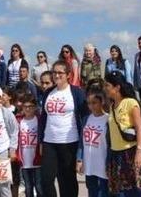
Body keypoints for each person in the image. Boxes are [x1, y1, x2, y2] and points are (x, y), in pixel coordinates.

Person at [40, 60, 88, 197]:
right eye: (54, 72)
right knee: (46, 179)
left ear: (68, 75)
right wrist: (41, 140)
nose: (56, 75)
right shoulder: (48, 92)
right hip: (49, 142)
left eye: (60, 72)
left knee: (67, 180)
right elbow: (43, 118)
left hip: (69, 142)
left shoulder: (77, 92)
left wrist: (82, 147)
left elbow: (85, 116)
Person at [104, 71, 141, 197]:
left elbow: (139, 128)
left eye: (107, 85)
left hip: (131, 152)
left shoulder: (130, 103)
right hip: (116, 154)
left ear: (117, 87)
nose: (105, 88)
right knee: (122, 191)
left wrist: (139, 152)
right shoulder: (112, 106)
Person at [77, 91, 108, 197]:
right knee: (91, 190)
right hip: (89, 163)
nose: (91, 106)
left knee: (103, 191)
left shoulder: (108, 119)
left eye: (94, 103)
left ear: (102, 102)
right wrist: (79, 159)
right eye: (89, 103)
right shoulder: (86, 119)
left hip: (102, 163)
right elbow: (81, 141)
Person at [16, 95, 42, 197]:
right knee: (28, 186)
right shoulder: (18, 121)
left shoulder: (39, 120)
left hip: (37, 159)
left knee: (39, 186)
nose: (28, 109)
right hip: (24, 159)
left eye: (30, 106)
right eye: (25, 106)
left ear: (35, 107)